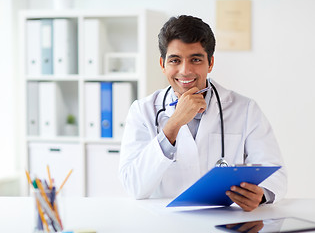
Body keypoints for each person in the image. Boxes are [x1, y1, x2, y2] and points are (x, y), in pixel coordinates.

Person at [118, 15, 287, 212]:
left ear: (210, 63)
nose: (185, 70)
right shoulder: (143, 111)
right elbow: (133, 185)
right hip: (165, 222)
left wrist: (261, 194)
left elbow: (277, 174)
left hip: (223, 221)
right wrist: (173, 125)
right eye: (175, 60)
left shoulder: (245, 109)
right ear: (163, 65)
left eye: (195, 59)